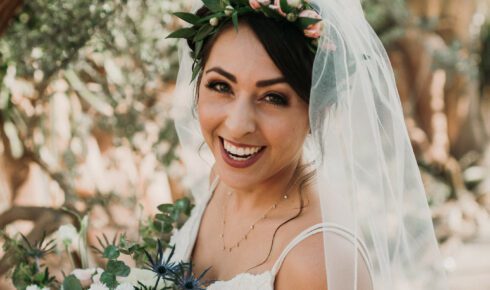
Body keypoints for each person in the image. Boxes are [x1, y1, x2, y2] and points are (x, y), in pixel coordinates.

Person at [168, 0, 448, 289]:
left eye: (273, 97)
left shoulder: (318, 262)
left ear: (318, 112)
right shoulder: (223, 179)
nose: (238, 125)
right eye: (221, 86)